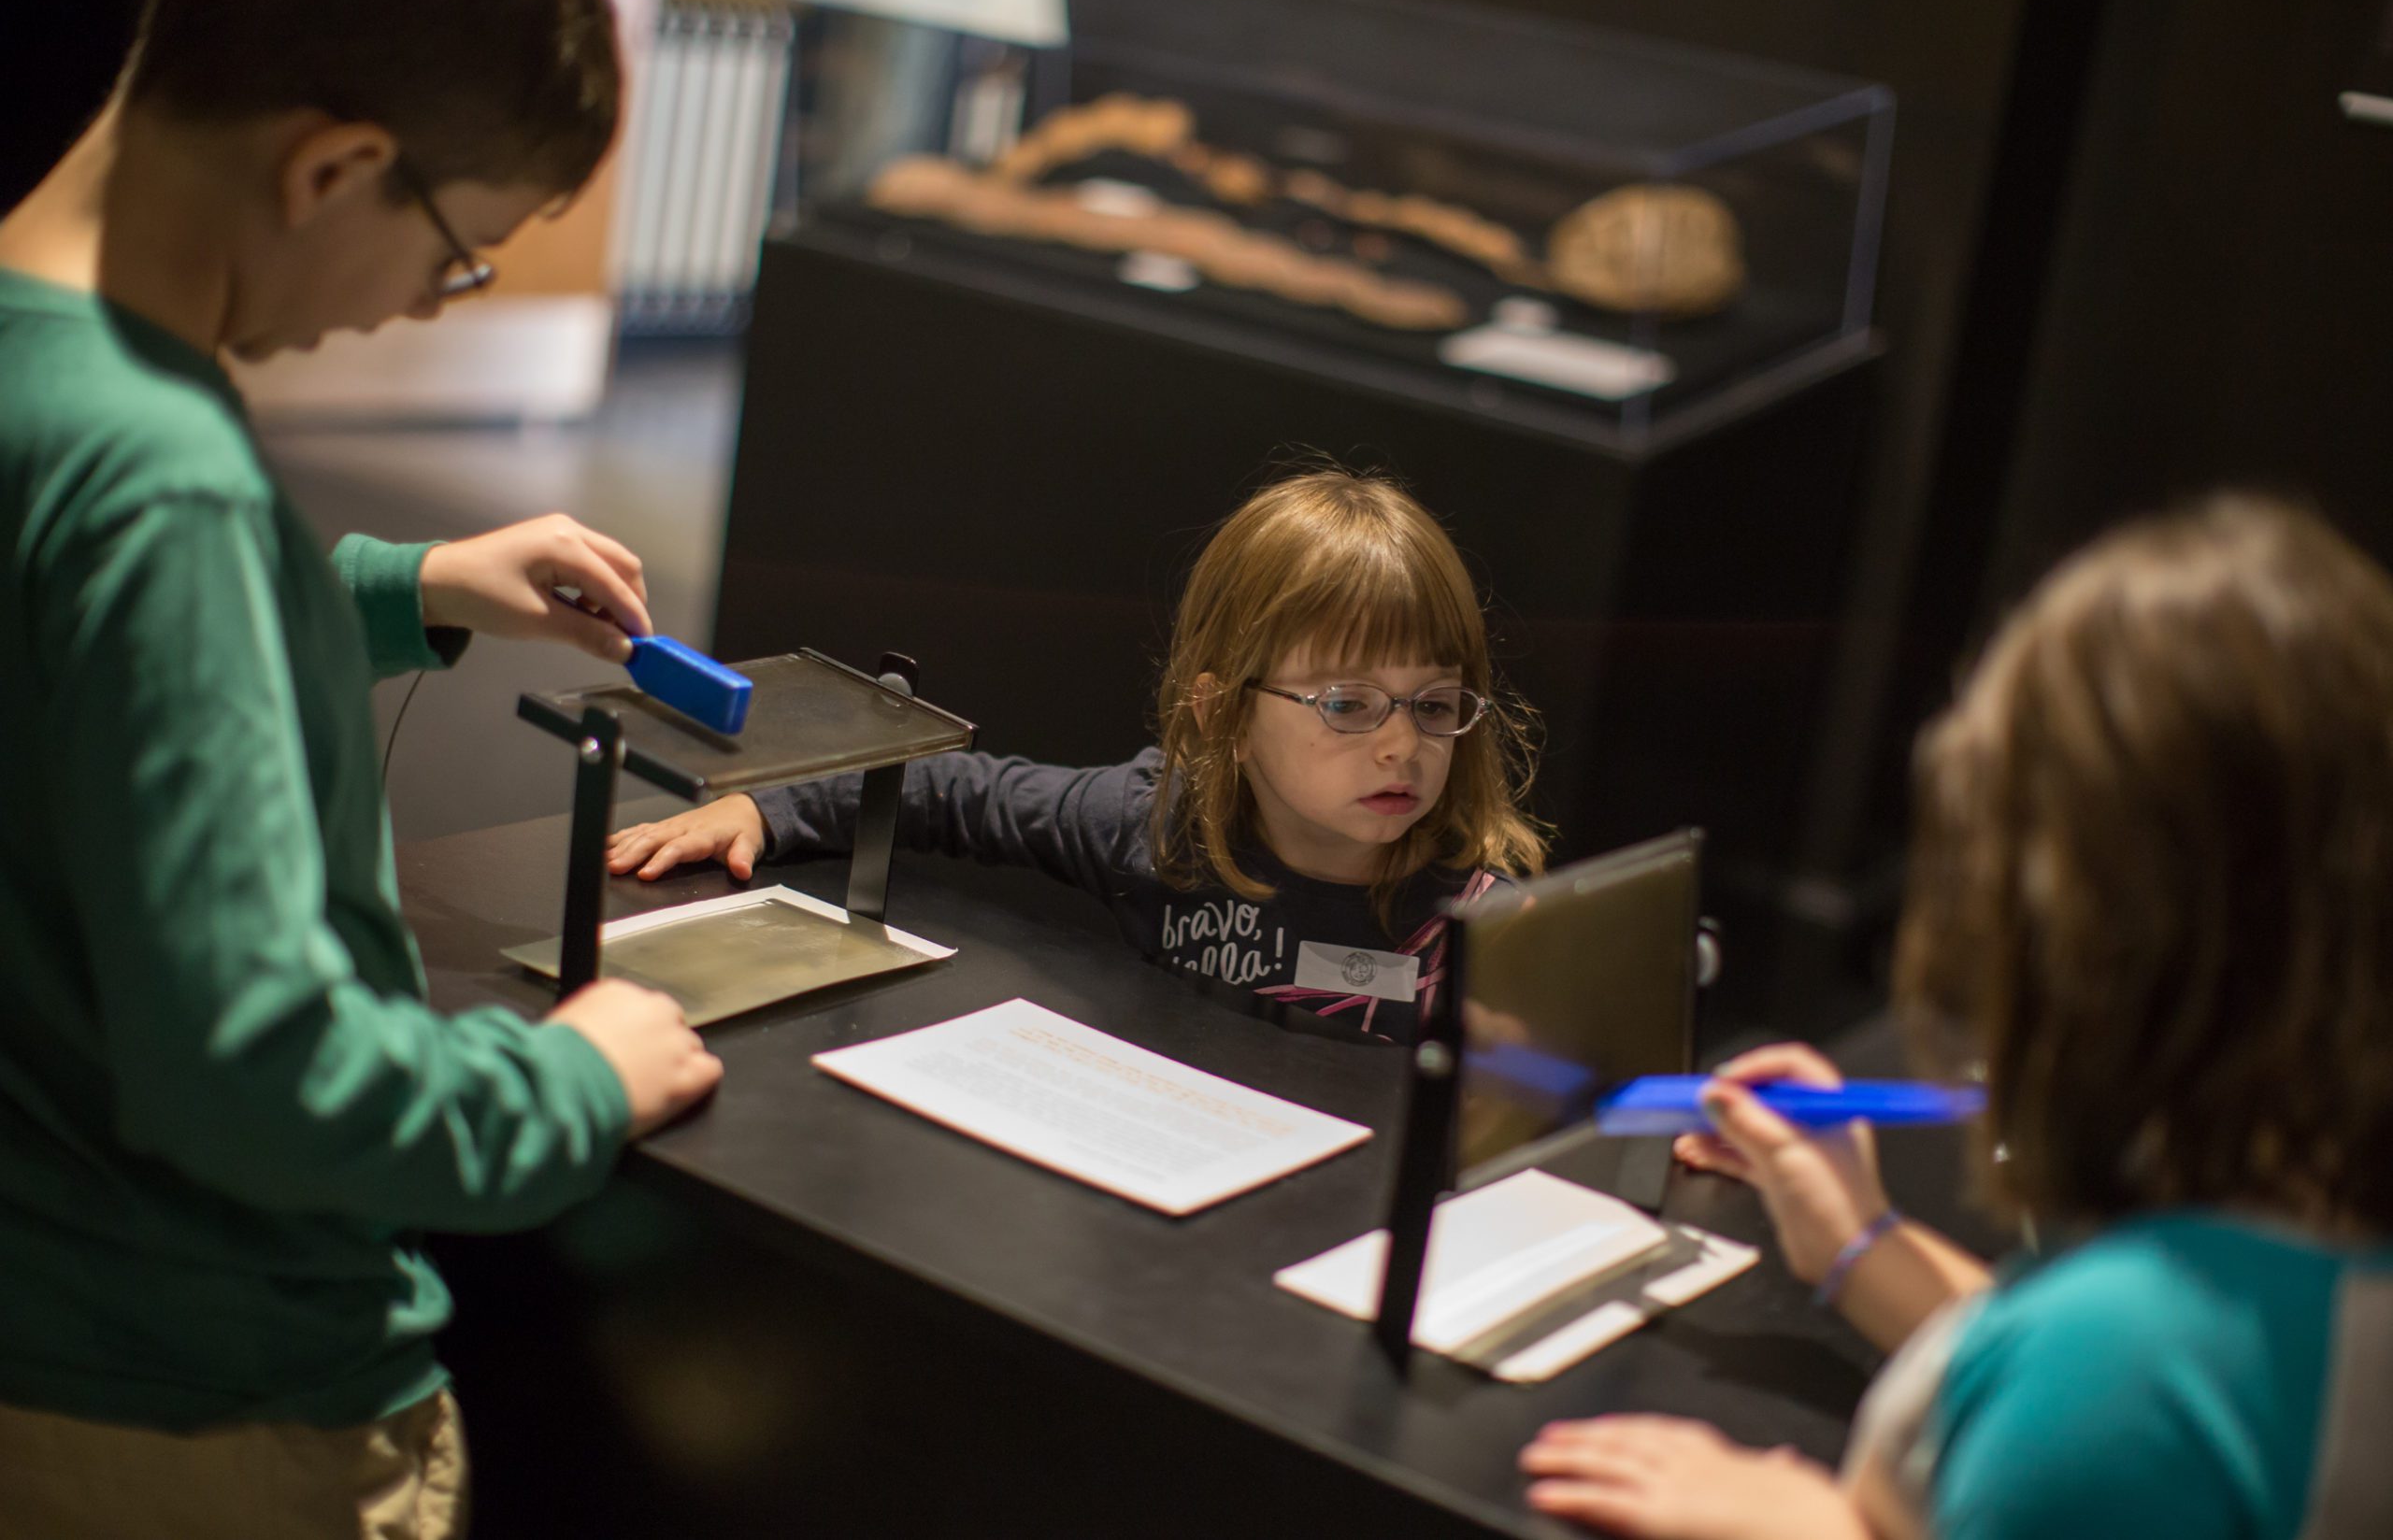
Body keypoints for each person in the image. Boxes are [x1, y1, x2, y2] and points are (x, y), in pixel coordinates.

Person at [0, 0, 721, 1534]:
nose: (419, 302)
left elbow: (67, 665)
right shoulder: (164, 481)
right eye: (463, 255)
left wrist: (401, 590)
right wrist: (566, 1088)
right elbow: (259, 1071)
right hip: (212, 1417)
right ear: (334, 167)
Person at [1518, 495, 2393, 1540]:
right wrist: (1857, 1244)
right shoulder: (2304, 1249)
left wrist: (1809, 1528)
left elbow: (2118, 1395)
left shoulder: (2130, 1367)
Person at [609, 467, 1549, 1042]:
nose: (1401, 744)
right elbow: (949, 790)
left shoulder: (1489, 929)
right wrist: (769, 810)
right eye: (1347, 703)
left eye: (1432, 704)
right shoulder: (1152, 825)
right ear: (1222, 713)